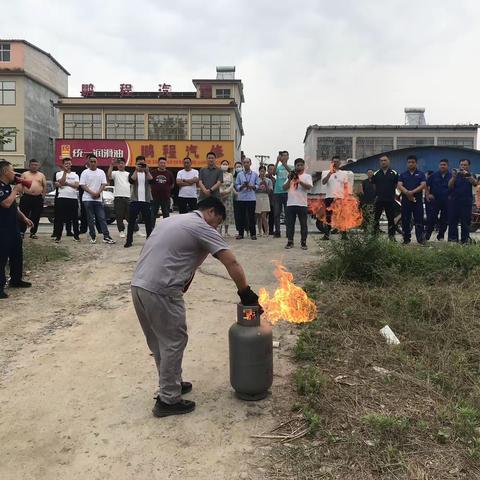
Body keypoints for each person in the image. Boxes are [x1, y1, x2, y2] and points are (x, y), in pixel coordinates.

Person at [130, 196, 261, 417]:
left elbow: (167, 254)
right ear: (211, 212)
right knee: (174, 341)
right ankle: (168, 401)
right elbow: (231, 262)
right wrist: (246, 294)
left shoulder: (172, 221)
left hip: (139, 285)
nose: (216, 227)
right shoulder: (202, 226)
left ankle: (171, 383)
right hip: (162, 289)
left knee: (159, 341)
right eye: (217, 222)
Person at [0, 160, 33, 299]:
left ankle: (16, 279)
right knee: (2, 257)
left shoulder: (8, 187)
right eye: (12, 170)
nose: (14, 173)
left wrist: (24, 218)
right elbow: (6, 203)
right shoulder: (2, 187)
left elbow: (13, 206)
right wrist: (15, 191)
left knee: (16, 253)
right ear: (5, 172)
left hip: (13, 226)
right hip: (2, 228)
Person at [79, 154, 115, 244]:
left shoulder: (101, 172)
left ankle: (106, 236)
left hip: (98, 199)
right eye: (91, 161)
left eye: (95, 161)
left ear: (97, 162)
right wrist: (92, 193)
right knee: (90, 219)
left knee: (102, 218)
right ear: (88, 162)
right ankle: (93, 236)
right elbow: (82, 185)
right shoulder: (85, 172)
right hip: (87, 199)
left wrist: (98, 193)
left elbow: (104, 184)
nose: (93, 163)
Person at [124, 155, 154, 248]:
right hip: (135, 200)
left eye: (142, 163)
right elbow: (131, 181)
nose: (141, 165)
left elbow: (152, 181)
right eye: (139, 164)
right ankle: (129, 241)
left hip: (146, 201)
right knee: (131, 222)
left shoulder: (148, 173)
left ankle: (149, 241)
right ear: (136, 164)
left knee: (148, 222)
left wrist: (147, 170)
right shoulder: (133, 173)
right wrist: (136, 170)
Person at [283, 158, 313, 249]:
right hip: (290, 204)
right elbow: (284, 188)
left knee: (303, 224)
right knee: (289, 224)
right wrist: (289, 179)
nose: (299, 167)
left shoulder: (307, 176)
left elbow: (309, 187)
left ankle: (303, 242)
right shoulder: (291, 176)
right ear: (295, 166)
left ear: (304, 166)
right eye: (297, 165)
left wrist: (299, 180)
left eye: (301, 165)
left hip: (302, 204)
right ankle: (290, 241)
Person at [398, 155, 427, 245]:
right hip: (406, 200)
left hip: (417, 200)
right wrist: (407, 192)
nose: (411, 164)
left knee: (419, 219)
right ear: (407, 163)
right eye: (409, 162)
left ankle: (420, 239)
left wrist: (412, 192)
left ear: (416, 163)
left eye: (413, 162)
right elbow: (399, 185)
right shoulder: (403, 174)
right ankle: (406, 239)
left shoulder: (421, 174)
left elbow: (423, 185)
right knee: (405, 220)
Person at [448, 158, 478, 244]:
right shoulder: (455, 174)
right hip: (454, 202)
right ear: (459, 165)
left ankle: (465, 240)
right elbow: (449, 186)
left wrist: (468, 175)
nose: (463, 166)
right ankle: (453, 240)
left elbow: (475, 183)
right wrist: (454, 177)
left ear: (469, 166)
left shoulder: (471, 174)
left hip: (466, 202)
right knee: (453, 221)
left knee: (465, 222)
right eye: (461, 165)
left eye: (465, 165)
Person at [321, 155, 349, 240]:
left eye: (337, 161)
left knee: (341, 217)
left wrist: (345, 197)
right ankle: (326, 235)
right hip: (329, 197)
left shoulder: (344, 174)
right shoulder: (325, 172)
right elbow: (323, 182)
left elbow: (346, 186)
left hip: (340, 198)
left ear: (340, 163)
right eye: (334, 161)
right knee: (328, 217)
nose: (335, 163)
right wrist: (330, 173)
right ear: (331, 163)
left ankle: (344, 235)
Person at [53, 158, 80, 242]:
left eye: (69, 163)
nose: (68, 165)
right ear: (63, 165)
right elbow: (61, 183)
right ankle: (58, 236)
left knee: (75, 218)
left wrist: (67, 183)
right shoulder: (59, 173)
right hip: (62, 198)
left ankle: (76, 235)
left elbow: (76, 185)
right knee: (60, 218)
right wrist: (65, 172)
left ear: (71, 164)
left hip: (73, 198)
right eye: (66, 164)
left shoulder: (75, 175)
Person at [372, 155, 399, 240]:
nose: (383, 162)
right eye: (381, 161)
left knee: (391, 219)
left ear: (388, 161)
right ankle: (375, 236)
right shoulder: (376, 174)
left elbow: (396, 185)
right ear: (380, 163)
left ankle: (391, 237)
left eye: (385, 160)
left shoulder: (394, 173)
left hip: (390, 199)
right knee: (376, 218)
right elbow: (374, 186)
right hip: (379, 199)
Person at [18, 158, 47, 239]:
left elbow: (44, 186)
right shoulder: (24, 174)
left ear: (38, 166)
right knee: (23, 215)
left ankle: (33, 233)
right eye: (32, 165)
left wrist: (43, 196)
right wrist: (21, 194)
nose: (34, 166)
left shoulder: (41, 175)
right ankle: (21, 232)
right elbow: (20, 185)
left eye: (36, 165)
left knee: (36, 216)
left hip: (37, 198)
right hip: (26, 197)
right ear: (29, 165)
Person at [425, 160, 451, 241]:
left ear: (447, 166)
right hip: (435, 200)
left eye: (444, 165)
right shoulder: (433, 175)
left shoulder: (451, 176)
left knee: (444, 219)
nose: (442, 166)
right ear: (439, 165)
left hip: (447, 201)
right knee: (431, 217)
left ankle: (441, 236)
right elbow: (427, 186)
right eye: (441, 165)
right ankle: (427, 234)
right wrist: (428, 195)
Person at [234, 157, 259, 240]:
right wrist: (242, 186)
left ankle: (253, 234)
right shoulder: (240, 174)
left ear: (250, 163)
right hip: (241, 198)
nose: (246, 164)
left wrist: (252, 186)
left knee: (251, 216)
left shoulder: (255, 174)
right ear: (243, 164)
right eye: (244, 163)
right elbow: (236, 185)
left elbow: (257, 185)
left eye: (247, 162)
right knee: (241, 216)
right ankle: (240, 234)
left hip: (251, 198)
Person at [108, 157, 131, 238]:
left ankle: (136, 229)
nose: (120, 165)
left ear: (125, 164)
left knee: (130, 215)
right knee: (119, 216)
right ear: (117, 165)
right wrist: (111, 165)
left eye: (122, 163)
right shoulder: (115, 173)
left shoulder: (128, 174)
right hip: (118, 197)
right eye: (119, 163)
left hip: (128, 197)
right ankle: (121, 231)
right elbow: (109, 176)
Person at [272, 151, 291, 237]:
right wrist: (277, 161)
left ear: (288, 157)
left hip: (287, 192)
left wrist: (284, 163)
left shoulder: (291, 166)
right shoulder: (278, 167)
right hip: (277, 192)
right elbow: (273, 173)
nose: (284, 157)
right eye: (282, 155)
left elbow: (291, 172)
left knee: (288, 214)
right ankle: (277, 232)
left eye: (286, 155)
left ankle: (288, 232)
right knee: (276, 213)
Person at [151, 157, 175, 226]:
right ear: (158, 163)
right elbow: (149, 183)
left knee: (166, 215)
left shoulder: (169, 173)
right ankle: (151, 229)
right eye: (161, 163)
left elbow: (172, 184)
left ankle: (166, 229)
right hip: (154, 197)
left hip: (166, 198)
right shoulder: (153, 172)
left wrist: (165, 189)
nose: (162, 164)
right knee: (153, 215)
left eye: (164, 163)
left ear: (166, 164)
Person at [255, 165, 273, 236]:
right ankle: (259, 232)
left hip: (265, 197)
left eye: (263, 171)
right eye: (261, 171)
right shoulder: (256, 179)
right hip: (258, 197)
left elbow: (270, 191)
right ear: (259, 171)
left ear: (265, 172)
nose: (262, 173)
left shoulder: (269, 180)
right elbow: (254, 189)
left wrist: (265, 183)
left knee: (264, 216)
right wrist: (259, 186)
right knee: (258, 216)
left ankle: (266, 231)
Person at [219, 159, 235, 236]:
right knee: (220, 212)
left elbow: (232, 184)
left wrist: (227, 191)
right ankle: (219, 230)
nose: (224, 165)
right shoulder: (218, 174)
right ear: (220, 165)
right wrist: (221, 192)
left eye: (226, 164)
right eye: (223, 164)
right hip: (220, 195)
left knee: (227, 213)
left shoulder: (230, 175)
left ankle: (226, 231)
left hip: (228, 195)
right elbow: (217, 184)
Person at [232, 161, 243, 234]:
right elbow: (231, 186)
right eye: (236, 167)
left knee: (245, 214)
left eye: (239, 166)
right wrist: (235, 192)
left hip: (244, 197)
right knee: (237, 215)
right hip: (235, 197)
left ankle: (247, 229)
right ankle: (239, 230)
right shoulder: (233, 177)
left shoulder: (244, 176)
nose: (238, 168)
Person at [266, 163, 276, 235]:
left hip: (272, 200)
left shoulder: (274, 179)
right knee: (264, 216)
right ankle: (264, 230)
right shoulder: (263, 178)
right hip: (264, 199)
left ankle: (271, 230)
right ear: (267, 170)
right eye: (270, 169)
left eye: (273, 169)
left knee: (272, 217)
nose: (271, 171)